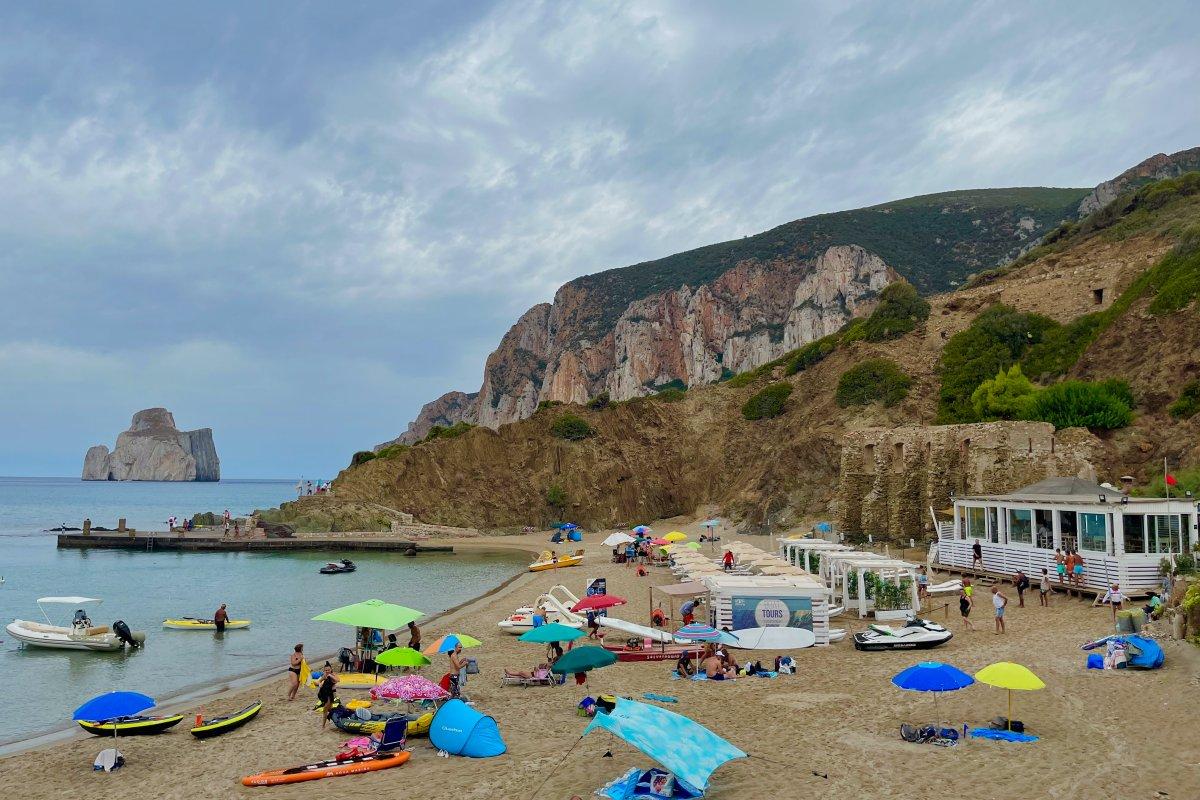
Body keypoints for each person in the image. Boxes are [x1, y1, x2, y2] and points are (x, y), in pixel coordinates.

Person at [317, 662, 338, 728]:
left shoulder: (333, 675)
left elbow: (337, 680)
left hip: (330, 693)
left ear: (331, 669)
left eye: (328, 670)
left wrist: (330, 675)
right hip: (324, 693)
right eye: (325, 670)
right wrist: (320, 684)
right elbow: (319, 681)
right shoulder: (324, 675)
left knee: (327, 708)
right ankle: (327, 723)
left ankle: (324, 725)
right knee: (328, 708)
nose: (327, 671)